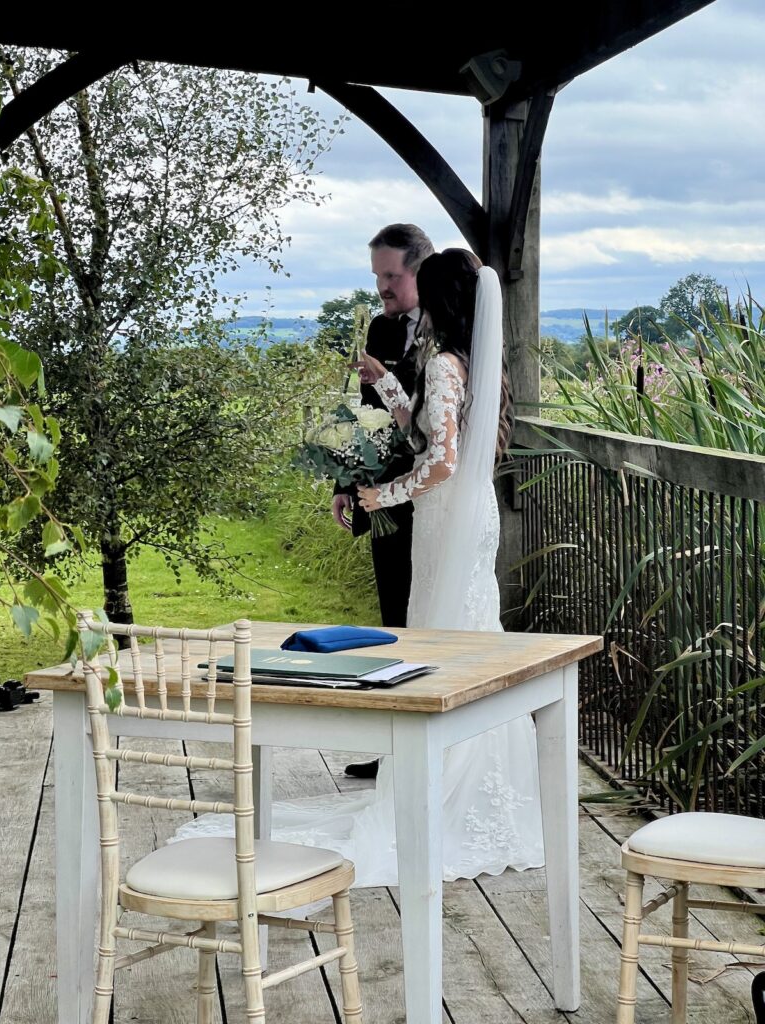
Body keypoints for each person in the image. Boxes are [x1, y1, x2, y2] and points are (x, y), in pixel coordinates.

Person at [173, 250, 543, 884]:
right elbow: (425, 431)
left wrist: (379, 496)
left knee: (444, 635)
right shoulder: (469, 365)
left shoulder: (449, 366)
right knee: (462, 631)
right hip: (462, 515)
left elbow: (441, 463)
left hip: (448, 513)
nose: (418, 305)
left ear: (444, 302)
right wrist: (391, 385)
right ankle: (469, 773)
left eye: (425, 294)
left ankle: (452, 781)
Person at [334, 223, 434, 780]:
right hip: (384, 497)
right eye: (377, 277)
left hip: (435, 491)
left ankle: (434, 739)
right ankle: (394, 747)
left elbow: (435, 411)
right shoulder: (379, 327)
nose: (383, 289)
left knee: (433, 617)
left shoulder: (450, 328)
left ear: (419, 269)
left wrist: (392, 377)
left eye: (392, 276)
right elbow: (365, 417)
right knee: (393, 618)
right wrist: (345, 482)